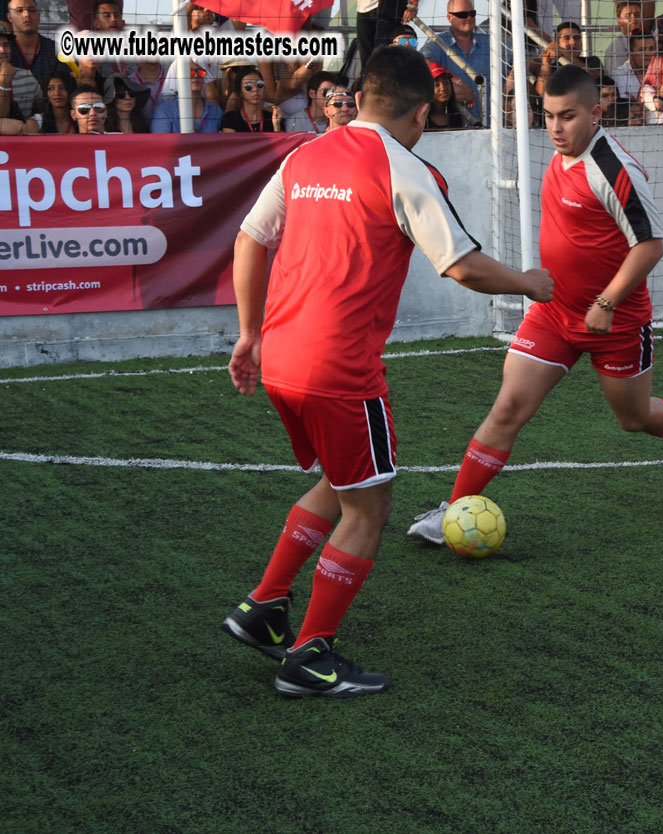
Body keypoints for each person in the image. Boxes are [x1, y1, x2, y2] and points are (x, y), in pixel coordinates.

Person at [223, 47, 553, 699]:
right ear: (422, 113)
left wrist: (250, 333)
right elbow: (461, 264)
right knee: (369, 506)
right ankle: (309, 655)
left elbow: (249, 239)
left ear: (358, 98)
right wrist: (528, 283)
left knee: (340, 482)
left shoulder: (305, 155)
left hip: (282, 357)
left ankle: (264, 606)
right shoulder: (405, 168)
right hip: (340, 368)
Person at [407, 65, 663, 546]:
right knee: (508, 408)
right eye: (548, 115)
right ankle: (454, 511)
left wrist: (606, 302)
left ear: (596, 112)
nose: (555, 127)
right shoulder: (560, 154)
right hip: (553, 313)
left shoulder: (614, 169)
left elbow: (650, 246)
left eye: (567, 116)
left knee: (633, 419)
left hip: (616, 321)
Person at [6, 0, 56, 119]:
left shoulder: (56, 50)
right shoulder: (4, 51)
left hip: (51, 119)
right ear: (9, 17)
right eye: (19, 11)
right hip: (10, 121)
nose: (26, 14)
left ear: (39, 16)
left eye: (31, 10)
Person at [150, 62, 222, 133]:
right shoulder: (164, 111)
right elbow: (161, 140)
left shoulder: (216, 110)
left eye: (201, 72)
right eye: (189, 72)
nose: (196, 75)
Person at [220, 66, 283, 132]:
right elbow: (230, 138)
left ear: (264, 88)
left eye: (259, 84)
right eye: (248, 86)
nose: (255, 89)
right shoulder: (230, 118)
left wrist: (276, 126)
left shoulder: (273, 118)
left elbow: (281, 139)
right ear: (240, 92)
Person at [23, 67, 74, 133]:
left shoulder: (80, 119)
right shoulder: (34, 122)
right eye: (51, 88)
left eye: (62, 88)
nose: (57, 93)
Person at [426, 64, 464, 128]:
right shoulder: (423, 118)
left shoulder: (455, 115)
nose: (443, 88)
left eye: (446, 83)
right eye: (437, 85)